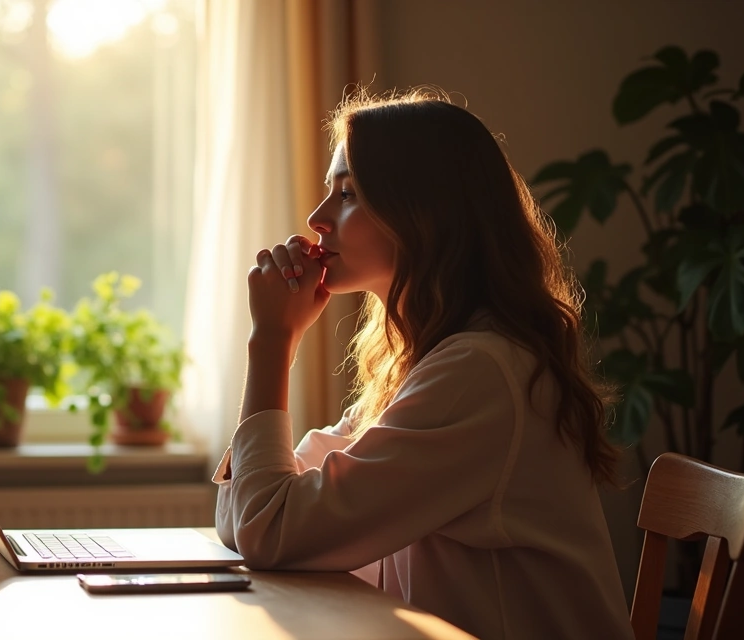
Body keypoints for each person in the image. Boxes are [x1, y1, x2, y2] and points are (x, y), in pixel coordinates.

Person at [213, 89, 635, 639]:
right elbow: (247, 520)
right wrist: (273, 345)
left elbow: (265, 528)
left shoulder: (479, 372)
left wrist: (271, 342)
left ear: (423, 214)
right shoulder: (428, 360)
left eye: (349, 194)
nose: (317, 219)